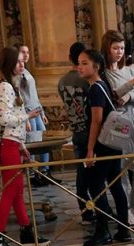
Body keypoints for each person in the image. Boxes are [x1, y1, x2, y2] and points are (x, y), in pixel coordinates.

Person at [0, 46, 48, 246]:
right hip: (8, 145)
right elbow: (4, 119)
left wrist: (22, 145)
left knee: (17, 192)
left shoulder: (10, 85)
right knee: (10, 192)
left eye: (23, 61)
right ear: (9, 64)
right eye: (18, 61)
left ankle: (26, 232)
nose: (22, 64)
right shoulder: (5, 87)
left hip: (13, 143)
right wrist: (28, 116)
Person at [79, 48, 132, 246]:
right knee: (115, 184)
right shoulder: (102, 86)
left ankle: (103, 231)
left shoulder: (95, 88)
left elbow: (97, 121)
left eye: (84, 63)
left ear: (96, 66)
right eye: (79, 63)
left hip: (103, 144)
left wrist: (90, 150)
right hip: (112, 143)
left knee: (95, 186)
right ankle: (123, 229)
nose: (80, 67)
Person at [102, 30, 134, 226]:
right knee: (121, 170)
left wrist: (131, 96)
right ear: (107, 49)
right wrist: (131, 84)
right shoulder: (104, 74)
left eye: (122, 48)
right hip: (118, 125)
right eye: (115, 48)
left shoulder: (131, 70)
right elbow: (114, 96)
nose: (119, 52)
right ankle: (125, 210)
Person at [56, 42, 91, 223]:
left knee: (81, 173)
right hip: (90, 129)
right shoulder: (86, 79)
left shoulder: (62, 82)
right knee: (96, 174)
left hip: (76, 129)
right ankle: (102, 209)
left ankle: (85, 211)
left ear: (70, 58)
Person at [16, 44, 58, 189]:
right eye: (23, 52)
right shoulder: (17, 74)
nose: (26, 55)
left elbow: (34, 95)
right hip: (28, 112)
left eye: (27, 52)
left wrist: (42, 112)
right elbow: (19, 98)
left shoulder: (27, 71)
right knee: (32, 144)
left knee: (43, 142)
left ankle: (45, 171)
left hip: (36, 111)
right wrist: (25, 117)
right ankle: (33, 173)